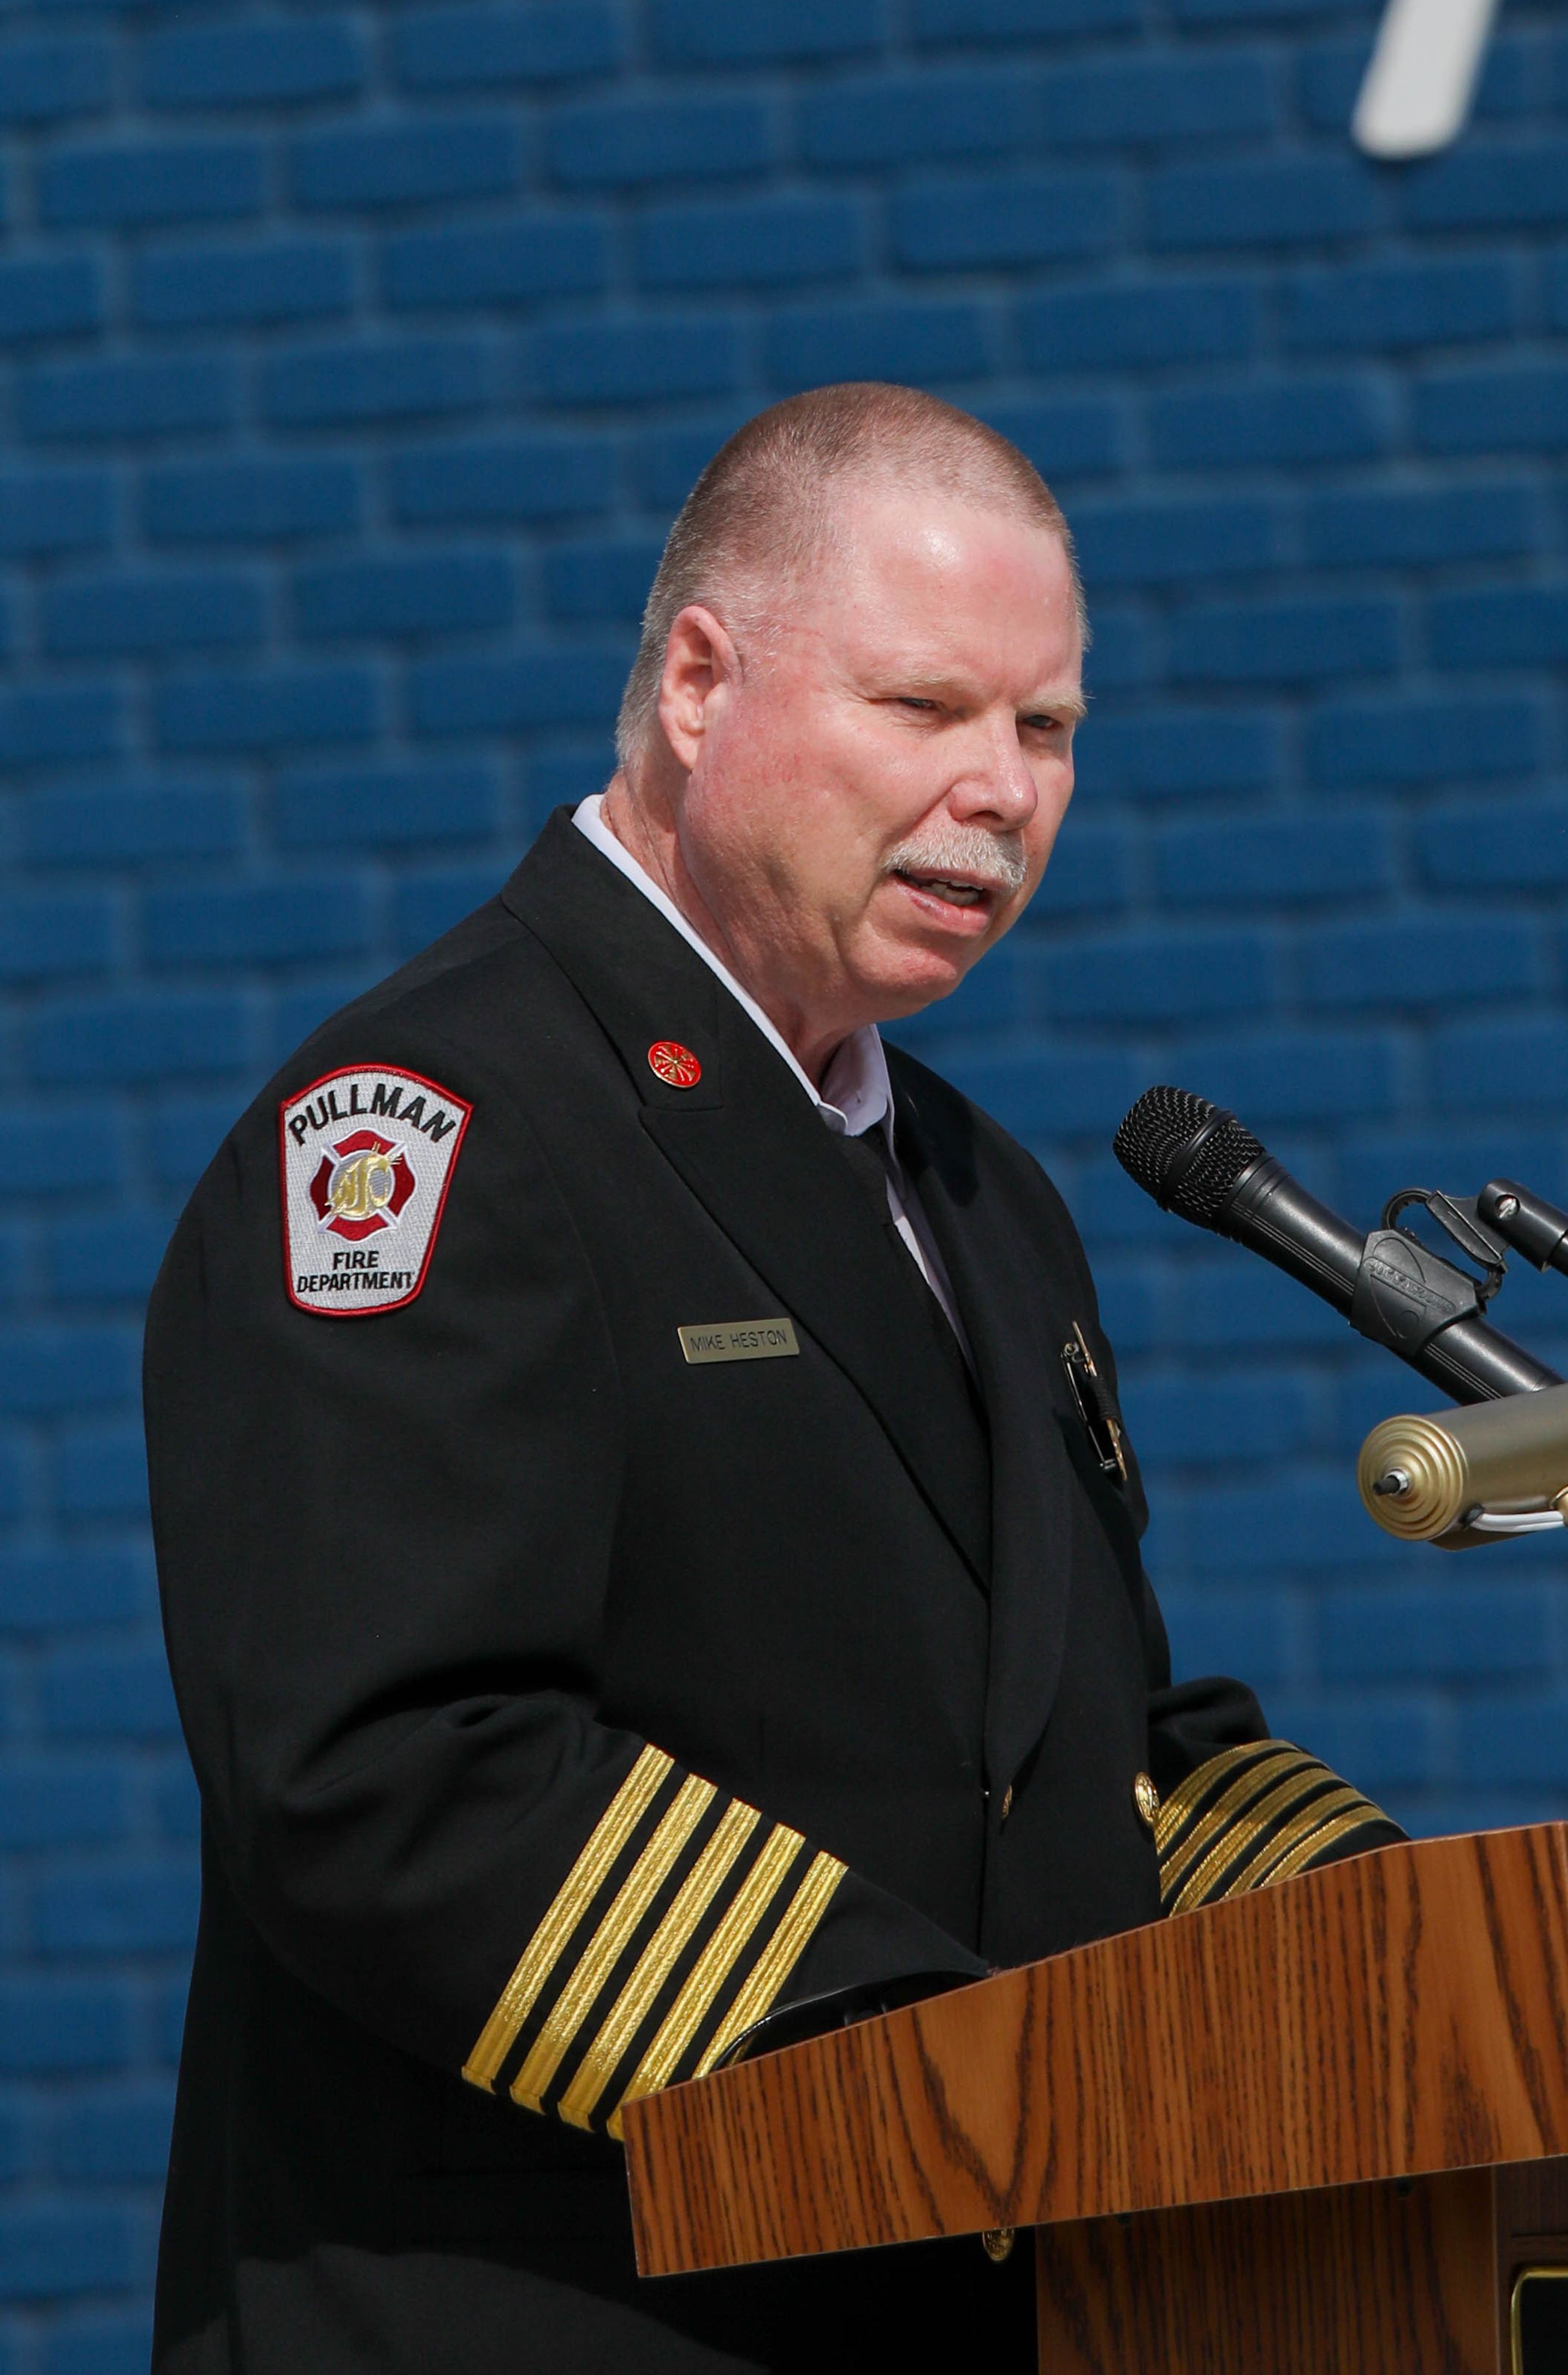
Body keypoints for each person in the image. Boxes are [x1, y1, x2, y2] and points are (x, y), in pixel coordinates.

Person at [143, 385, 1402, 2374]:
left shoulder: (985, 1193)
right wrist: (942, 2064)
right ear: (700, 684)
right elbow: (387, 1772)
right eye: (925, 709)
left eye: (1049, 726)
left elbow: (1086, 1744)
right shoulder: (442, 1130)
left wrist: (1427, 1950)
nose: (1003, 790)